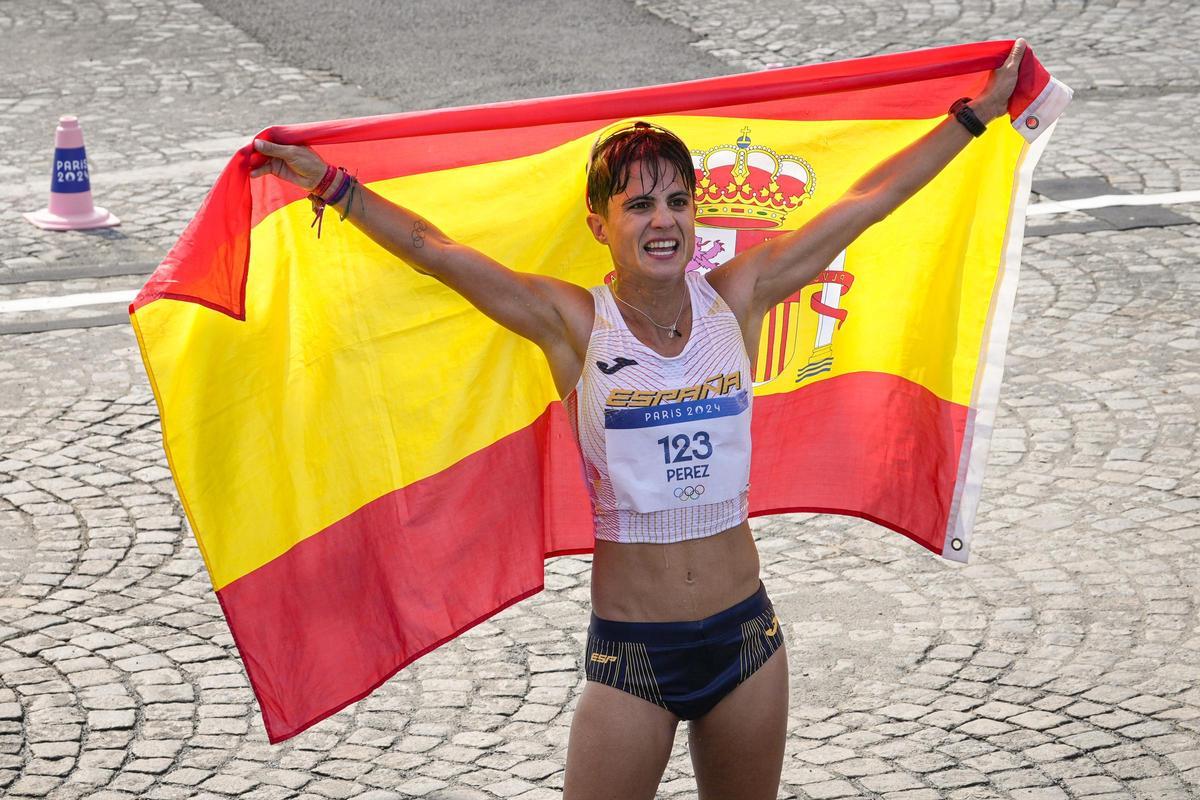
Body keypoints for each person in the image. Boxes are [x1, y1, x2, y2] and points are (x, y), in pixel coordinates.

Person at [251, 39, 1026, 800]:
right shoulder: (573, 325)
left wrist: (973, 116)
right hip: (634, 656)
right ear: (599, 223)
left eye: (679, 202)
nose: (665, 221)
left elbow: (866, 204)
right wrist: (333, 185)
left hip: (748, 641)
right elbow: (434, 248)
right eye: (640, 203)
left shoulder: (739, 297)